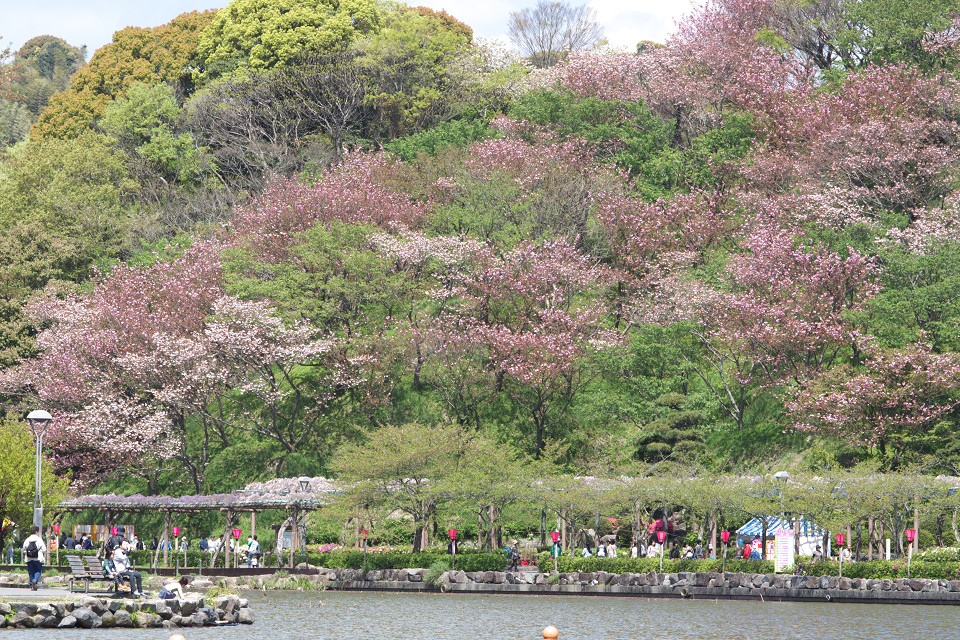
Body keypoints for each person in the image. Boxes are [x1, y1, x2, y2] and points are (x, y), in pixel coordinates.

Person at [22, 526, 46, 590]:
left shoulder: (27, 539)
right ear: (36, 532)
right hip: (38, 558)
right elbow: (44, 549)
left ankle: (32, 586)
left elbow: (24, 549)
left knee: (31, 572)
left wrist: (28, 553)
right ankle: (35, 580)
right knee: (38, 571)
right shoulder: (39, 540)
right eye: (38, 532)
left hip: (29, 558)